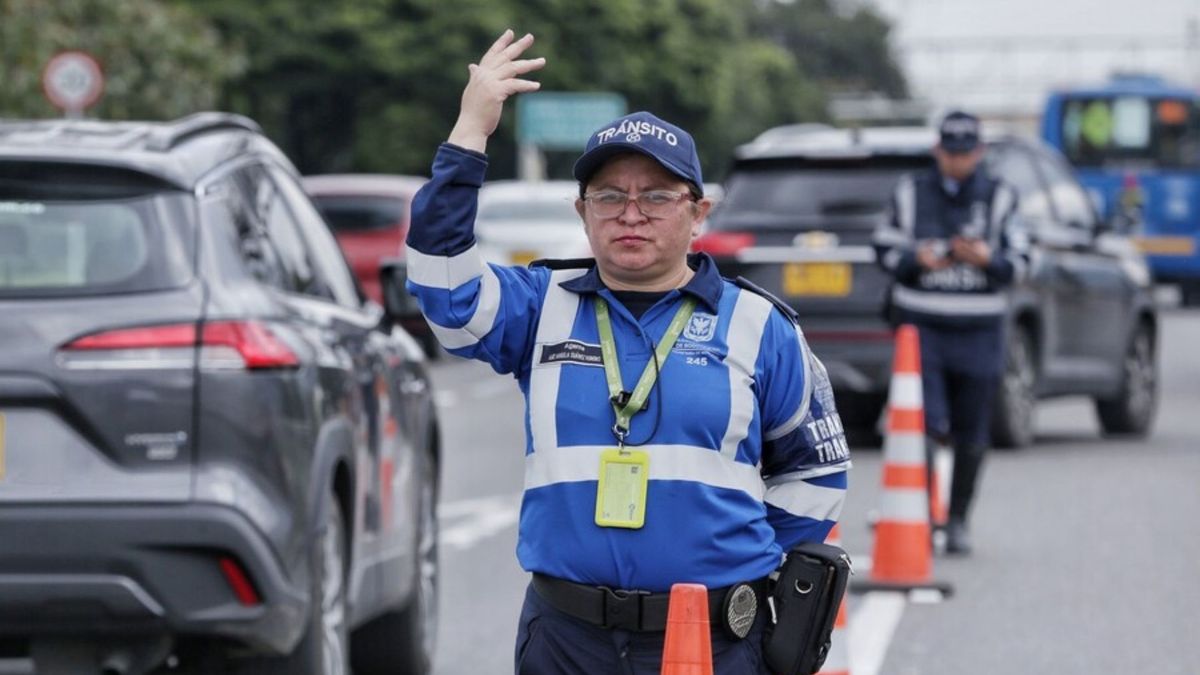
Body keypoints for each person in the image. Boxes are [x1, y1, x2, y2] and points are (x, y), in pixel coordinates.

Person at [404, 30, 850, 674]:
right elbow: (442, 288)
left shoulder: (760, 325)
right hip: (567, 638)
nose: (631, 214)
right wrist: (470, 132)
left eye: (658, 196)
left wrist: (739, 572)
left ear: (699, 213)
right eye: (610, 197)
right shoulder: (538, 305)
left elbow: (816, 473)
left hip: (712, 639)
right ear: (581, 211)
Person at [872, 110, 1030, 555]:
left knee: (973, 431)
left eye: (966, 153)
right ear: (937, 150)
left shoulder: (1000, 197)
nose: (957, 160)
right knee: (924, 424)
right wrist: (918, 259)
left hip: (980, 330)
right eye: (950, 152)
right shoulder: (910, 192)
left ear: (978, 152)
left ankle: (958, 518)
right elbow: (882, 248)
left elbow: (1021, 262)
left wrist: (984, 258)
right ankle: (921, 512)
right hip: (921, 330)